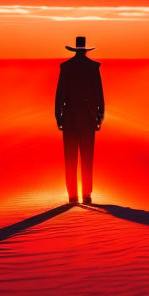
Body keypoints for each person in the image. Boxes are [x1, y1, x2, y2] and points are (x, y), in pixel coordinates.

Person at [55, 36, 104, 204]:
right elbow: (99, 94)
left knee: (70, 158)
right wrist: (99, 117)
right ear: (86, 50)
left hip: (69, 117)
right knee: (87, 158)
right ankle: (87, 195)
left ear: (75, 50)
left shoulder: (66, 67)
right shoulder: (93, 67)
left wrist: (58, 116)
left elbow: (60, 93)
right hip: (88, 118)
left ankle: (72, 196)